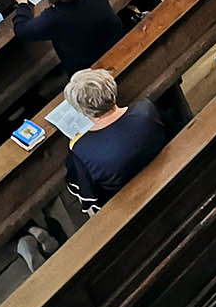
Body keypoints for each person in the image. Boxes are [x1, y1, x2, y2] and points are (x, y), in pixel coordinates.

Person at [62, 67, 167, 210]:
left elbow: (87, 193)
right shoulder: (145, 110)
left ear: (82, 110)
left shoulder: (81, 150)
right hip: (166, 172)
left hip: (131, 206)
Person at [11, 0, 124, 76]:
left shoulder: (55, 18)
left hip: (87, 70)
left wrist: (22, 4)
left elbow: (22, 29)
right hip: (117, 43)